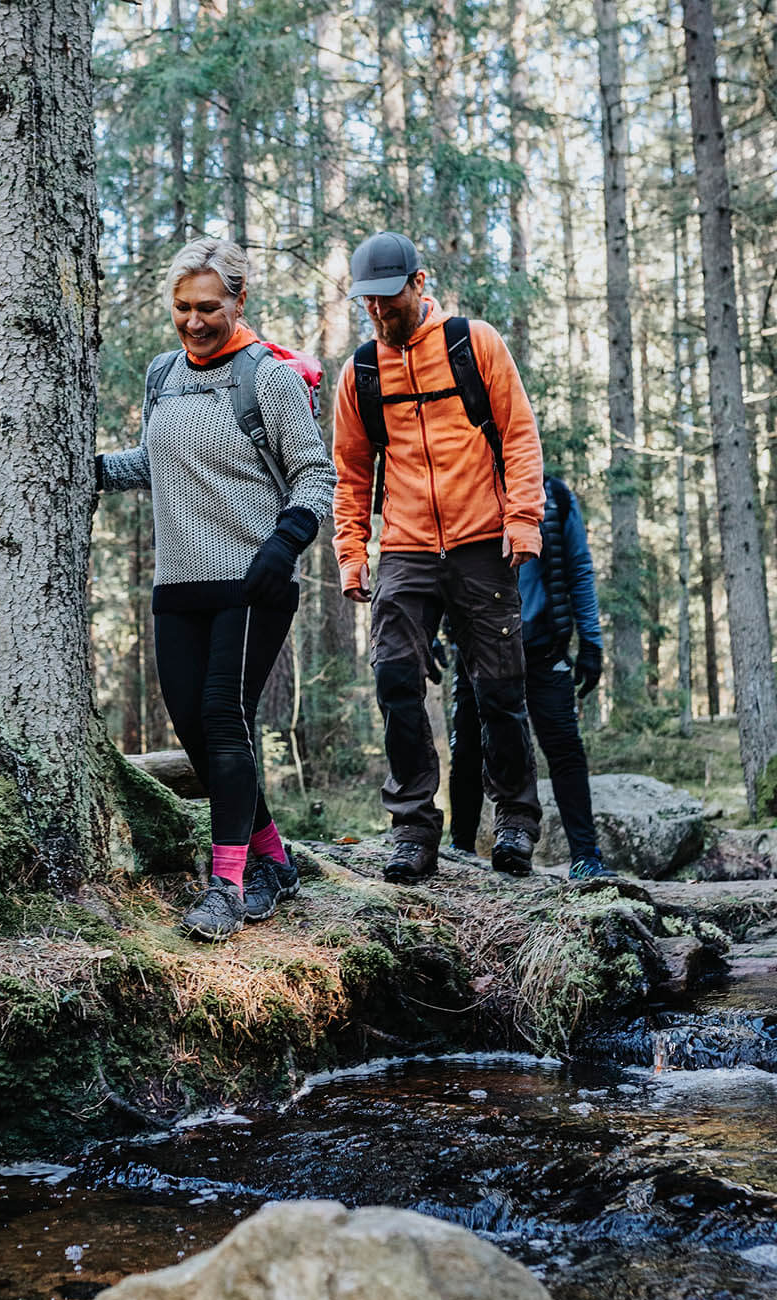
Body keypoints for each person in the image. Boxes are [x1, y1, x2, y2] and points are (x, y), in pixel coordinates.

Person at [95, 237, 336, 941]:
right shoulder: (163, 373)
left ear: (238, 302)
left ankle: (227, 883)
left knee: (226, 720)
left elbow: (315, 473)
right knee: (194, 730)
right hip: (179, 579)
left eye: (209, 307)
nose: (195, 321)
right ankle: (271, 858)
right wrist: (93, 469)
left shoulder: (268, 378)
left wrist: (284, 544)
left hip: (251, 578)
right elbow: (161, 459)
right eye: (182, 307)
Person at [332, 230, 544, 882]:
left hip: (483, 540)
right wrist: (352, 551)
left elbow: (518, 433)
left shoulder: (473, 345)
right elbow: (350, 471)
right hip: (406, 545)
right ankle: (413, 828)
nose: (378, 312)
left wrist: (524, 522)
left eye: (388, 299)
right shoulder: (362, 372)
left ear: (419, 284)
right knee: (395, 674)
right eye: (368, 302)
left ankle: (515, 822)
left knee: (498, 689)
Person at [448, 474, 617, 880]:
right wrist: (438, 631)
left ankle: (585, 857)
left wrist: (591, 642)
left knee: (564, 747)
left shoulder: (554, 497)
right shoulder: (465, 487)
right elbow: (442, 566)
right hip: (479, 646)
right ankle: (460, 849)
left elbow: (578, 568)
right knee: (469, 746)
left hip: (542, 646)